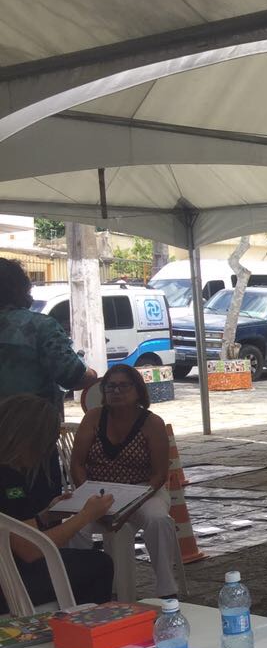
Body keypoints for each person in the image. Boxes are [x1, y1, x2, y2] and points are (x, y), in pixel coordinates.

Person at [67, 364, 178, 597]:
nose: (116, 391)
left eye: (124, 386)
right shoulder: (93, 418)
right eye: (111, 386)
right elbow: (77, 463)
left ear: (138, 390)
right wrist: (89, 498)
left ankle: (167, 590)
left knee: (159, 520)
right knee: (75, 527)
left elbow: (159, 474)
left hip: (144, 490)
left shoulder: (152, 423)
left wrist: (129, 506)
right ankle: (80, 589)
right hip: (98, 491)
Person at [0, 395, 114, 613]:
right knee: (99, 565)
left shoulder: (9, 471)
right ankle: (84, 625)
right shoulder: (8, 477)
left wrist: (45, 517)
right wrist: (85, 516)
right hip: (9, 583)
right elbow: (31, 550)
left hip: (9, 568)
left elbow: (14, 527)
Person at [0, 257, 98, 495]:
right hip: (29, 439)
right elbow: (71, 375)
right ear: (21, 289)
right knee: (31, 500)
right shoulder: (38, 326)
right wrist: (91, 374)